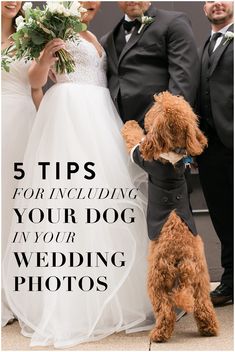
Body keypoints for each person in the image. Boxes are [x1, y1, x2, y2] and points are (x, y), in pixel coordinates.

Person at [2, 2, 152, 348]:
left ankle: (115, 292)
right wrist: (43, 60)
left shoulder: (95, 36)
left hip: (101, 114)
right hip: (70, 111)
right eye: (83, 1)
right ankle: (72, 303)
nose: (90, 5)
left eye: (94, 2)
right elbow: (35, 82)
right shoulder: (52, 32)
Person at [1, 1, 43, 326]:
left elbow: (36, 88)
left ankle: (22, 291)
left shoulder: (29, 37)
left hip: (22, 123)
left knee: (19, 203)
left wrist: (49, 122)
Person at [101, 1, 200, 127]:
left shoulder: (174, 22)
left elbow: (184, 79)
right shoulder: (107, 40)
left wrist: (169, 125)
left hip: (160, 128)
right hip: (118, 130)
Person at [197, 1, 233, 306]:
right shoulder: (203, 46)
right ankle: (231, 282)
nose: (217, 3)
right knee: (222, 216)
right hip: (210, 150)